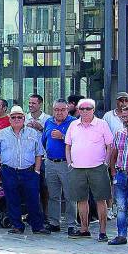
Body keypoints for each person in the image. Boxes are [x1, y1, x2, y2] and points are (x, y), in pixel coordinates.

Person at [0, 105, 49, 235]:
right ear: (9, 119)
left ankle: (37, 226)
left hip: (29, 172)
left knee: (33, 199)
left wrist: (37, 171)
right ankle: (17, 225)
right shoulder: (2, 133)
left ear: (24, 119)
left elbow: (39, 153)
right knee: (12, 199)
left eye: (19, 117)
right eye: (13, 117)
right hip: (9, 171)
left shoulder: (33, 133)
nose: (16, 119)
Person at [65, 98, 113, 241]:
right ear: (78, 110)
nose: (85, 111)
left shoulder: (102, 124)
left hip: (98, 168)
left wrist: (106, 163)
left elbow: (110, 145)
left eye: (88, 108)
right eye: (82, 109)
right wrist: (69, 163)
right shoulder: (73, 125)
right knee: (81, 199)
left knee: (101, 199)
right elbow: (68, 145)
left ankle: (103, 231)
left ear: (93, 110)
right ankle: (84, 229)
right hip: (77, 168)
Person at [41, 99, 78, 234]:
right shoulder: (48, 122)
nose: (59, 112)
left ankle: (71, 224)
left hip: (67, 163)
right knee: (53, 195)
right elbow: (44, 141)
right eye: (56, 109)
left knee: (70, 195)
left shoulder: (74, 122)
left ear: (67, 110)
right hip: (50, 162)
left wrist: (62, 136)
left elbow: (78, 142)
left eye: (62, 110)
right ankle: (54, 222)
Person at [107, 106, 128, 245]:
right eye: (124, 117)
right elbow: (114, 153)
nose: (125, 119)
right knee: (121, 207)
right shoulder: (119, 133)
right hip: (121, 174)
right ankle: (121, 236)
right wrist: (113, 172)